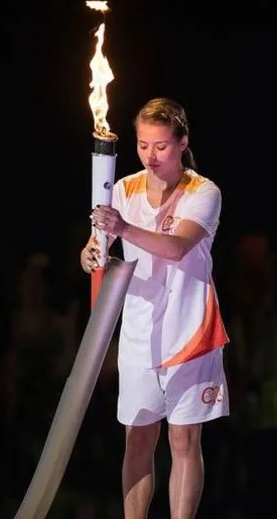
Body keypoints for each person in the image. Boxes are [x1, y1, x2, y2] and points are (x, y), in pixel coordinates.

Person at [86, 97, 230, 519]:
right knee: (138, 438)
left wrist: (123, 227)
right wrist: (94, 253)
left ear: (182, 142)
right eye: (144, 144)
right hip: (138, 333)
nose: (151, 155)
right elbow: (94, 248)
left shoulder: (204, 193)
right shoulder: (124, 190)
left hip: (191, 331)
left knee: (184, 440)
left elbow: (177, 247)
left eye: (162, 145)